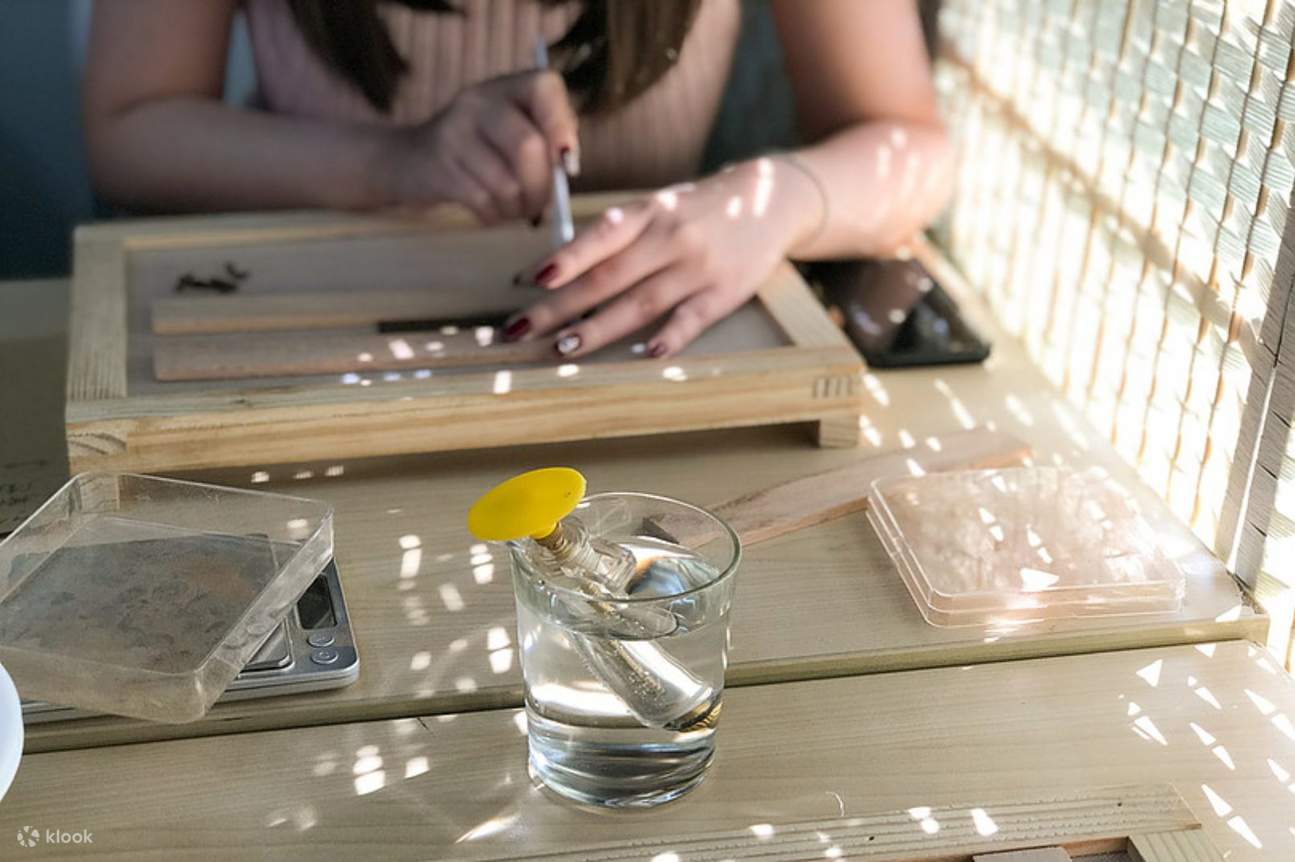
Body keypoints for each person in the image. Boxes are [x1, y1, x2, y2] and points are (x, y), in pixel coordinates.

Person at [84, 0, 953, 358]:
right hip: (309, 342)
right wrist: (394, 163)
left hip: (640, 370)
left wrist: (777, 200)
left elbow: (913, 148)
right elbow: (129, 129)